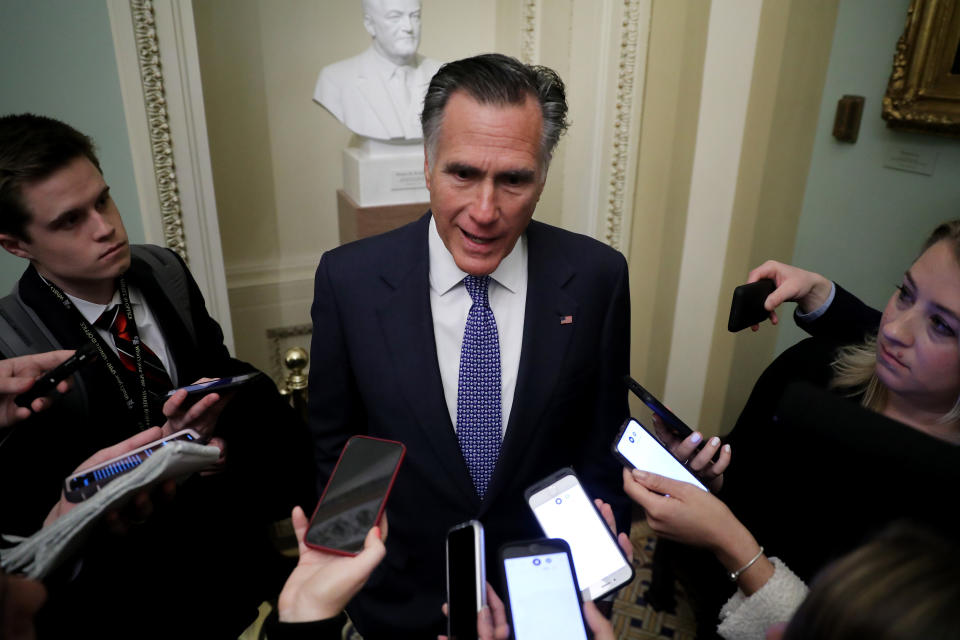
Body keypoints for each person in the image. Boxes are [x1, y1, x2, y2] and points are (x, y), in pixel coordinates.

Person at [308, 53, 631, 637]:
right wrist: (357, 588)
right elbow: (340, 448)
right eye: (462, 173)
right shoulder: (348, 281)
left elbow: (601, 448)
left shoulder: (597, 278)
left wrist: (595, 576)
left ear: (544, 172)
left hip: (546, 600)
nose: (485, 212)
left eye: (513, 179)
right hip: (401, 601)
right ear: (428, 163)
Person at [0, 113, 316, 638]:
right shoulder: (10, 347)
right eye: (68, 221)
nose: (105, 228)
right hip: (125, 606)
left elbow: (218, 374)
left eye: (102, 200)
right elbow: (30, 521)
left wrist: (218, 440)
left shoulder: (163, 270)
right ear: (16, 245)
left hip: (229, 563)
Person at [660, 220, 960, 638]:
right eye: (905, 293)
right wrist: (713, 477)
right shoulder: (813, 370)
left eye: (942, 326)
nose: (894, 330)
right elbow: (747, 483)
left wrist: (731, 542)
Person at [313, 0, 441, 140]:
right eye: (395, 17)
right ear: (370, 25)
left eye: (415, 16)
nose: (408, 27)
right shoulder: (335, 79)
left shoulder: (444, 74)